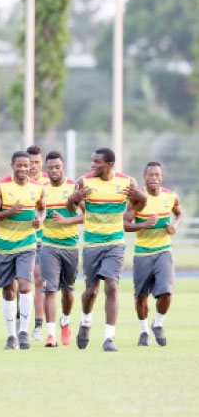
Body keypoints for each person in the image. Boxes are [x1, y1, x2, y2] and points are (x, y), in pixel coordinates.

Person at [66, 148, 147, 351]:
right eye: (92, 161)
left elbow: (137, 209)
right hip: (92, 245)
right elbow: (71, 210)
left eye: (97, 162)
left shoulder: (127, 182)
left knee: (112, 286)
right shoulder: (84, 182)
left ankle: (109, 338)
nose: (92, 165)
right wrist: (71, 199)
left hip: (115, 243)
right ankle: (85, 321)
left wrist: (142, 198)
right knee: (91, 292)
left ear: (109, 164)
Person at [123, 162, 182, 347]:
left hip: (164, 251)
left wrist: (175, 226)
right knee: (141, 296)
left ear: (162, 177)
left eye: (157, 175)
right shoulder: (137, 199)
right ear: (144, 176)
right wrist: (143, 224)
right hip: (142, 253)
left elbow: (179, 214)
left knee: (166, 292)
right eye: (150, 175)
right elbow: (125, 224)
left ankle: (158, 323)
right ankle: (144, 331)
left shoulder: (170, 196)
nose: (154, 178)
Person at [0, 151, 45, 350]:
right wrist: (10, 212)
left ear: (31, 166)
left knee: (24, 285)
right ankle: (11, 335)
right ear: (12, 165)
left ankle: (23, 332)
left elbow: (42, 208)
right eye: (19, 165)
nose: (23, 169)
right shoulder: (1, 186)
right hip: (5, 245)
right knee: (8, 290)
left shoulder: (37, 188)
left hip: (27, 245)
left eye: (26, 165)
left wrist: (39, 218)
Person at [40, 151, 83, 347]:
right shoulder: (41, 189)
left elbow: (87, 215)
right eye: (50, 168)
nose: (53, 171)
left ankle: (65, 321)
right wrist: (38, 218)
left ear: (63, 167)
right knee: (49, 289)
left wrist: (67, 220)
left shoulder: (74, 187)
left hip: (70, 246)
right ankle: (51, 335)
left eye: (57, 167)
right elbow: (38, 211)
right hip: (48, 245)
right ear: (45, 169)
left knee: (67, 291)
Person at [26, 145, 50, 341]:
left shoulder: (48, 183)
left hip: (44, 239)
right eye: (30, 162)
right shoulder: (19, 183)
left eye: (37, 162)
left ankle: (38, 325)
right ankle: (20, 318)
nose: (34, 166)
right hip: (21, 239)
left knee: (39, 279)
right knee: (21, 282)